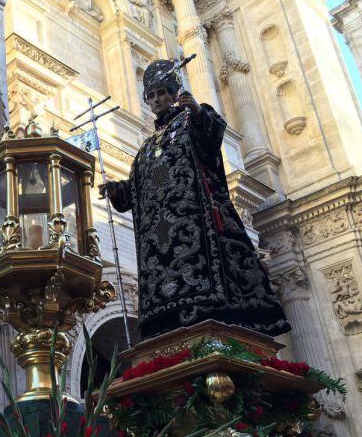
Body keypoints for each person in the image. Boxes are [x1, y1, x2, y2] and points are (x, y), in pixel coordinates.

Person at [99, 59, 291, 341]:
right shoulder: (148, 146)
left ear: (175, 92)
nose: (155, 100)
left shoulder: (191, 120)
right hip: (159, 246)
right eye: (150, 95)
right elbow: (138, 189)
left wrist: (197, 110)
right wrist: (118, 191)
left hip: (198, 230)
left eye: (161, 92)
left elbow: (212, 136)